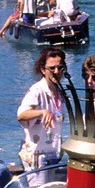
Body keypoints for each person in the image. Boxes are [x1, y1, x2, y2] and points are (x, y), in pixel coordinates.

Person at [17, 47, 66, 177]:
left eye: (60, 68)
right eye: (52, 68)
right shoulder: (37, 91)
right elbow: (21, 115)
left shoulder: (59, 92)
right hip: (37, 157)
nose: (56, 72)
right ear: (43, 70)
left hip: (53, 154)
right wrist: (42, 112)